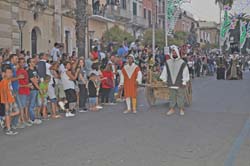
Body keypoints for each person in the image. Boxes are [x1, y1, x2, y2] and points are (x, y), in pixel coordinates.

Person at [160, 45, 190, 116]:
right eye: (173, 52)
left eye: (175, 52)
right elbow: (165, 71)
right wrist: (164, 79)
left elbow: (185, 72)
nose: (174, 54)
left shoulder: (182, 62)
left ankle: (181, 109)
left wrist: (184, 81)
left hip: (180, 82)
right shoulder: (168, 62)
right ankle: (171, 109)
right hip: (171, 82)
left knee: (181, 96)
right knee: (172, 97)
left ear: (177, 53)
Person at [0, 65, 20, 135]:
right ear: (4, 73)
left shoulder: (8, 80)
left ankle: (5, 119)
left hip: (11, 99)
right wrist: (6, 103)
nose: (10, 74)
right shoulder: (3, 82)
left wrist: (13, 94)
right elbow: (4, 93)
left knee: (17, 112)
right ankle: (8, 129)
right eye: (8, 72)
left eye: (11, 72)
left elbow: (9, 89)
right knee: (9, 114)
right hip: (7, 101)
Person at [16, 58, 32, 127]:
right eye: (21, 62)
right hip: (22, 91)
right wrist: (27, 85)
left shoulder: (25, 71)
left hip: (27, 90)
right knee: (21, 107)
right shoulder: (18, 72)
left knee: (26, 106)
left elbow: (26, 81)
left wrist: (29, 86)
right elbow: (18, 84)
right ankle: (21, 120)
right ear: (19, 63)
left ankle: (26, 119)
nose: (22, 64)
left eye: (23, 62)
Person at [27, 58, 42, 125]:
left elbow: (38, 78)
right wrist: (39, 89)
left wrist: (37, 80)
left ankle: (35, 117)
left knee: (37, 104)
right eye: (33, 61)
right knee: (32, 105)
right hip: (32, 90)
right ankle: (32, 118)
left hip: (36, 89)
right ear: (29, 63)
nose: (34, 62)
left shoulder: (35, 70)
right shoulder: (29, 71)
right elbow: (34, 81)